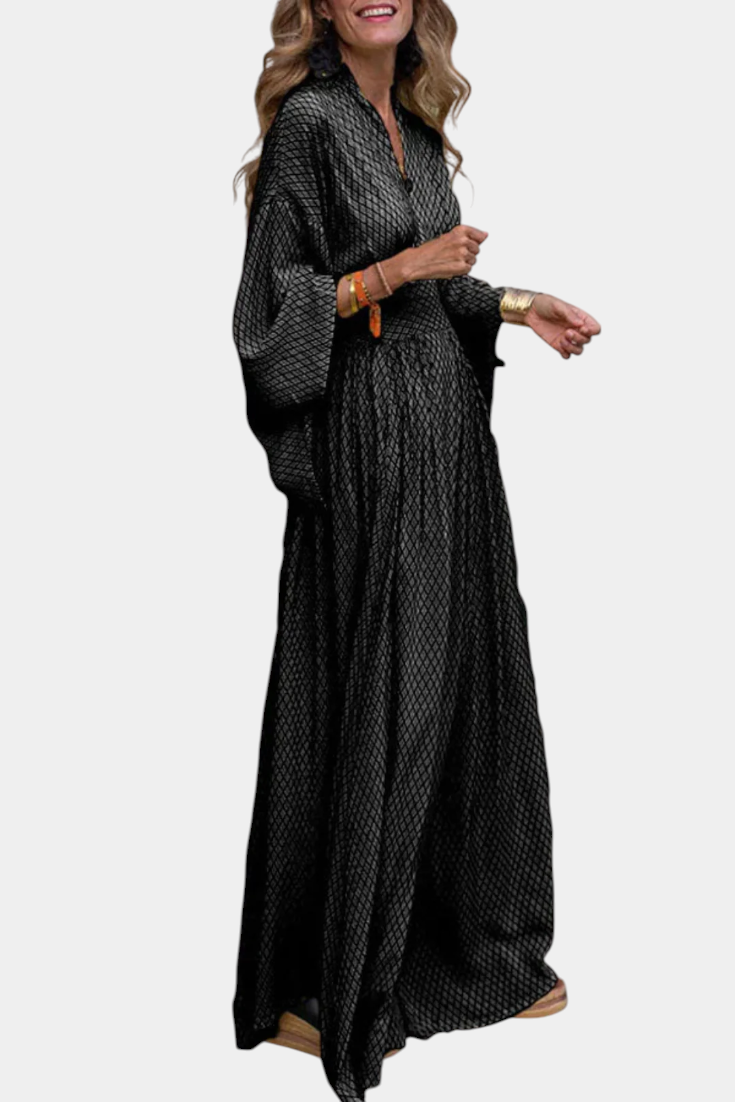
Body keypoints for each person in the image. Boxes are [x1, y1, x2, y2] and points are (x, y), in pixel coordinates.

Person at [230, 3, 601, 1101]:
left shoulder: (418, 121)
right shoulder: (312, 123)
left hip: (449, 443)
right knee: (391, 688)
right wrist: (394, 273)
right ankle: (336, 983)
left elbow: (440, 283)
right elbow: (269, 313)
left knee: (469, 680)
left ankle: (467, 945)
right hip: (371, 446)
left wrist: (521, 304)